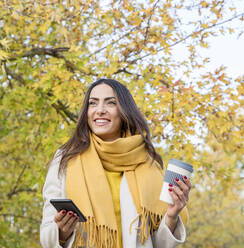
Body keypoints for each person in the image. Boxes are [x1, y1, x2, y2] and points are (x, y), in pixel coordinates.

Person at [40, 79, 191, 248]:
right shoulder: (66, 159)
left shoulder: (148, 163)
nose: (100, 110)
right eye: (93, 103)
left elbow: (158, 244)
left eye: (111, 103)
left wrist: (171, 215)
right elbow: (46, 236)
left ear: (124, 111)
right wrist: (61, 232)